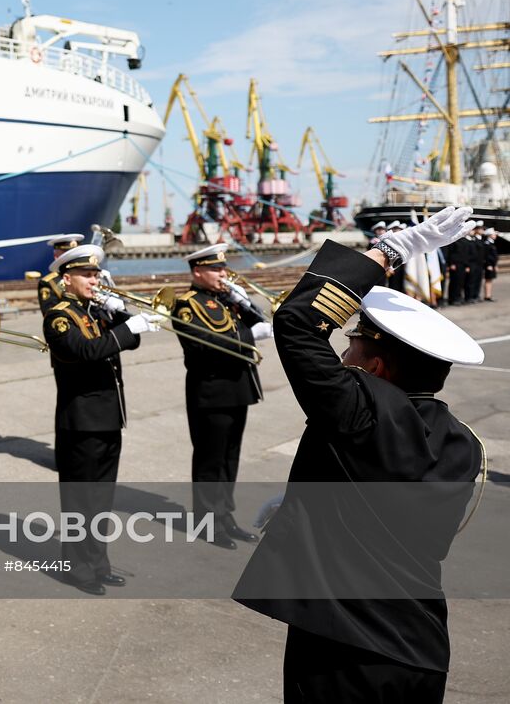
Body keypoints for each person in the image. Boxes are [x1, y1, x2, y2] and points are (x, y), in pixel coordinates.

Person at [234, 205, 485, 702]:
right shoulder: (463, 442)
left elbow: (298, 323)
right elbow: (392, 513)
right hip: (420, 648)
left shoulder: (362, 412)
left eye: (351, 347)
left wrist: (389, 252)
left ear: (374, 363)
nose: (342, 358)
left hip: (345, 646)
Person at [42, 244, 159, 595]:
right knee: (81, 501)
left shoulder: (94, 311)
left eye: (96, 274)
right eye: (87, 275)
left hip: (107, 418)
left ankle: (98, 563)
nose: (95, 280)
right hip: (80, 422)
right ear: (67, 279)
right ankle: (78, 570)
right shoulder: (59, 316)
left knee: (102, 499)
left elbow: (131, 342)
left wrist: (121, 313)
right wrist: (126, 328)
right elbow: (88, 351)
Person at [169, 245, 271, 549]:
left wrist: (246, 302)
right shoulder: (187, 304)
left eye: (223, 268)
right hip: (211, 391)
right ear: (197, 271)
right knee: (210, 461)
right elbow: (205, 344)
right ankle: (207, 522)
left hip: (237, 387)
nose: (223, 274)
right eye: (216, 269)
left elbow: (260, 321)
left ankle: (224, 515)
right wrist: (252, 336)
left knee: (229, 458)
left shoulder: (224, 299)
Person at [35, 233, 85, 313]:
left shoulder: (88, 277)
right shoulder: (49, 283)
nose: (73, 258)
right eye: (67, 255)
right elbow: (51, 314)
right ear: (56, 256)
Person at [484, 228, 498, 301]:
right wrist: (489, 265)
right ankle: (487, 296)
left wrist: (495, 265)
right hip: (489, 265)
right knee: (488, 280)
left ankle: (489, 295)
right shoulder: (487, 243)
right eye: (494, 234)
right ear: (489, 235)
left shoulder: (491, 243)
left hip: (492, 265)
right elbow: (487, 255)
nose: (495, 235)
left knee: (490, 280)